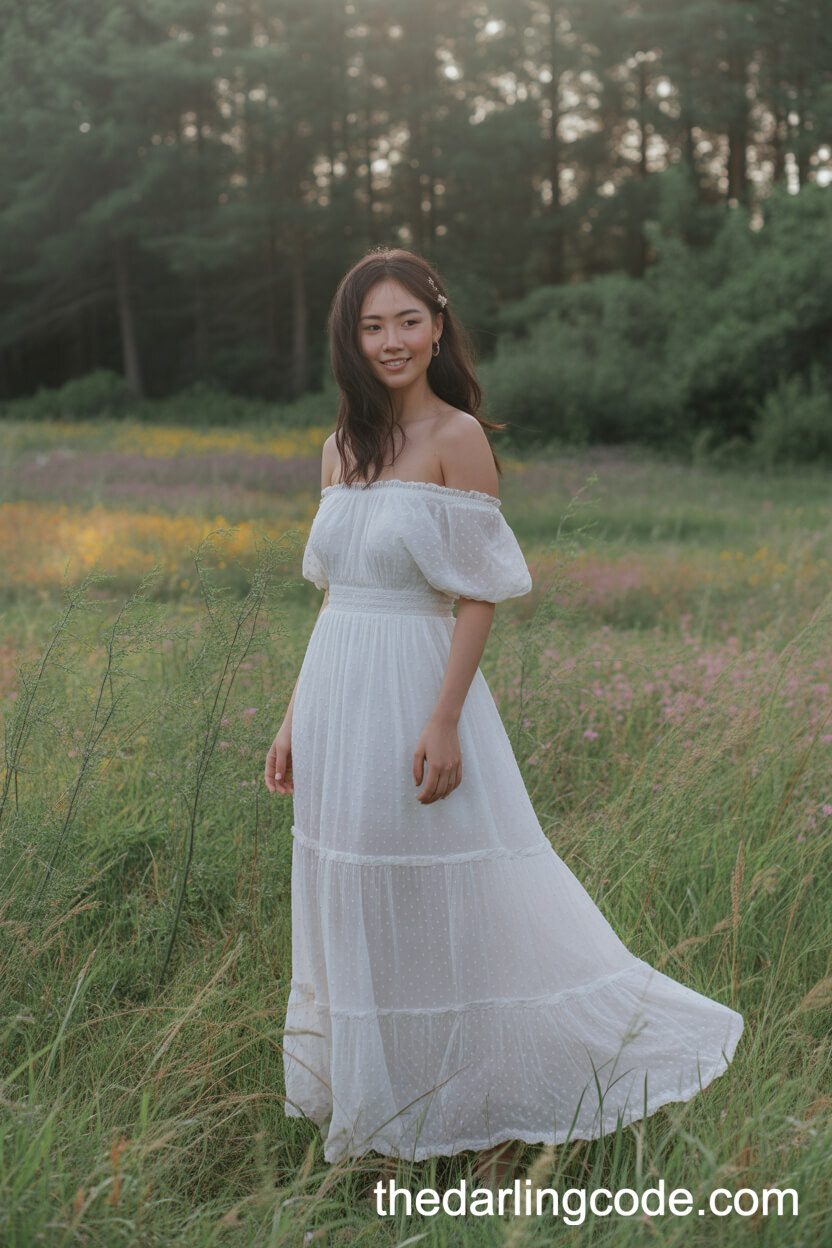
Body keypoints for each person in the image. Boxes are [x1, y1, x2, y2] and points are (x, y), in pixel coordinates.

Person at [264, 247, 743, 1190]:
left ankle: (494, 1119)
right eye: (372, 326)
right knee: (358, 902)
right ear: (349, 341)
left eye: (408, 320)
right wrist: (290, 720)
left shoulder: (457, 436)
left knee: (456, 901)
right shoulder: (339, 448)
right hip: (336, 699)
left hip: (417, 689)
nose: (392, 340)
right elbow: (335, 598)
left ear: (438, 326)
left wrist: (443, 721)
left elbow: (478, 594)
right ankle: (388, 1116)